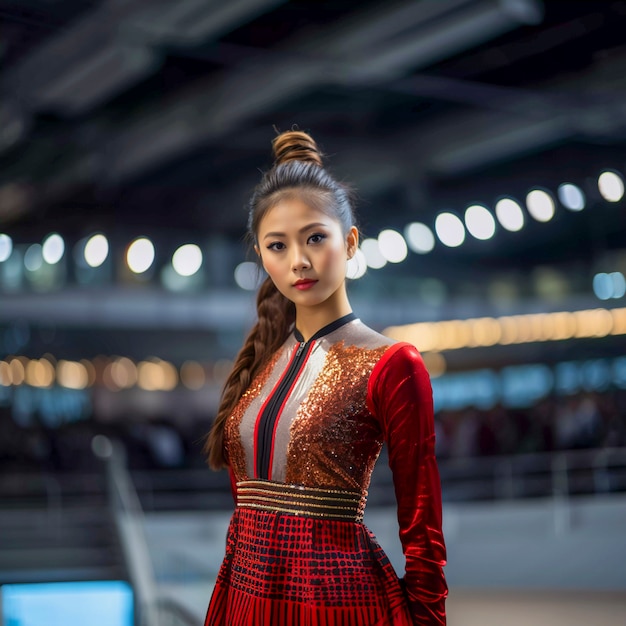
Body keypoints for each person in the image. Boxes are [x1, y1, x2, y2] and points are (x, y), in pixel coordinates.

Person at [203, 129, 447, 625]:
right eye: (277, 245)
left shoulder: (393, 363)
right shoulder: (263, 364)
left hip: (336, 602)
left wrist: (429, 620)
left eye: (315, 236)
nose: (299, 260)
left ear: (350, 241)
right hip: (242, 596)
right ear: (262, 256)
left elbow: (422, 528)